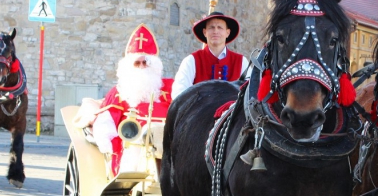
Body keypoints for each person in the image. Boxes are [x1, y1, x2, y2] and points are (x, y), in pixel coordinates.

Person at [73, 24, 172, 176]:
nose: (141, 67)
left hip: (168, 144)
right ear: (128, 66)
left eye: (145, 63)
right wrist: (107, 143)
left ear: (154, 66)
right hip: (133, 146)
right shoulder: (119, 92)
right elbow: (106, 121)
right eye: (137, 63)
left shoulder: (169, 88)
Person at [171, 11, 249, 100]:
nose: (215, 31)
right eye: (211, 27)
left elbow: (251, 94)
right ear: (205, 32)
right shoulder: (191, 61)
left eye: (220, 27)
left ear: (227, 32)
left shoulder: (241, 61)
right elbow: (179, 94)